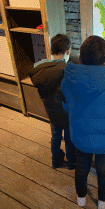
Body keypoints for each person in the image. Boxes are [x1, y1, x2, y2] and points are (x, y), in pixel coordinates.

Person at [61, 35, 105, 209]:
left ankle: (81, 198)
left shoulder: (68, 82)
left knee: (81, 166)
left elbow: (67, 107)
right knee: (103, 168)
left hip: (80, 137)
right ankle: (102, 201)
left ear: (80, 59)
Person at [29, 34, 76, 170]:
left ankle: (55, 161)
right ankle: (71, 162)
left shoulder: (40, 68)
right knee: (68, 138)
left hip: (51, 112)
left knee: (55, 137)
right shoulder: (68, 70)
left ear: (50, 51)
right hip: (66, 113)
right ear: (68, 51)